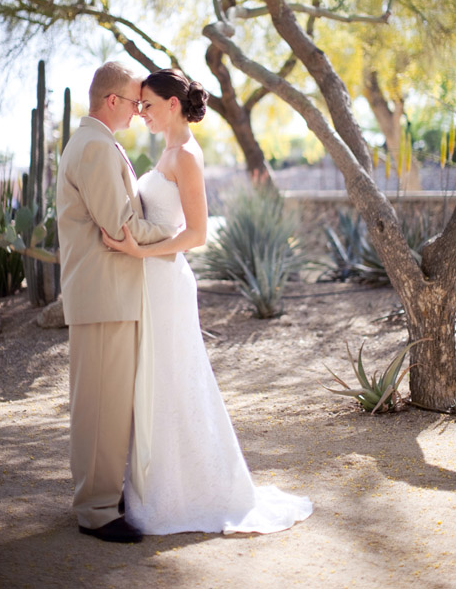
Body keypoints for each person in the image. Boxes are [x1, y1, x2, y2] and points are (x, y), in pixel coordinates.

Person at [102, 68, 313, 534]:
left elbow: (195, 234)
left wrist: (139, 250)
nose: (142, 113)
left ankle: (187, 493)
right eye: (139, 106)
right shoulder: (167, 149)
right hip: (150, 281)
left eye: (149, 105)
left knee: (175, 380)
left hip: (168, 282)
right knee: (155, 382)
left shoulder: (189, 157)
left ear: (173, 105)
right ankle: (151, 483)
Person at [56, 61, 175, 543]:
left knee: (105, 403)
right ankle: (97, 510)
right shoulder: (96, 148)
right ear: (112, 101)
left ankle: (101, 493)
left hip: (109, 294)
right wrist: (173, 232)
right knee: (102, 406)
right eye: (134, 102)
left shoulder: (94, 144)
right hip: (105, 294)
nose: (138, 110)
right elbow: (119, 228)